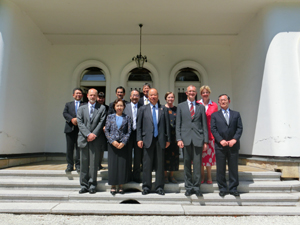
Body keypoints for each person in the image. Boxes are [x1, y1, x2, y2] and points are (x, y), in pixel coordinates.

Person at [137, 88, 171, 195]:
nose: (153, 97)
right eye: (151, 95)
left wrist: (168, 139)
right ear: (148, 96)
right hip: (147, 140)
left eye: (155, 95)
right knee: (147, 164)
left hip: (160, 140)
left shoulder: (163, 109)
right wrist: (139, 139)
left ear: (158, 96)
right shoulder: (143, 109)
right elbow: (139, 126)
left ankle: (159, 187)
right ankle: (146, 186)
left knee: (160, 164)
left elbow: (167, 126)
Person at [176, 85, 208, 197]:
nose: (191, 93)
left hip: (198, 139)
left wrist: (205, 141)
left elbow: (204, 125)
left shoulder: (201, 107)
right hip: (185, 140)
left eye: (193, 91)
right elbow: (178, 124)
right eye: (190, 91)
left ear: (196, 93)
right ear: (186, 92)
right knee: (186, 164)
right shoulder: (180, 106)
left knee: (198, 164)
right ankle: (188, 187)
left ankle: (197, 187)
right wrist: (179, 138)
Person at [211, 94, 243, 197]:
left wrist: (234, 139)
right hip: (220, 146)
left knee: (233, 168)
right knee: (220, 168)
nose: (223, 102)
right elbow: (213, 129)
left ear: (229, 101)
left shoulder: (236, 114)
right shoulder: (215, 115)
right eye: (221, 100)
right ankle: (223, 189)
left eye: (225, 100)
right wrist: (220, 140)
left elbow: (239, 128)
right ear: (218, 102)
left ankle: (233, 188)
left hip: (233, 145)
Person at [77, 88, 106, 194]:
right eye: (91, 95)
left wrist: (93, 134)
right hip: (84, 139)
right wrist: (88, 134)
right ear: (87, 96)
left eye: (95, 95)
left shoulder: (102, 108)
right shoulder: (81, 108)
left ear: (97, 96)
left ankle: (93, 185)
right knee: (84, 163)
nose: (93, 97)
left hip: (96, 139)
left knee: (94, 164)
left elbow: (102, 122)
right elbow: (79, 122)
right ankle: (84, 185)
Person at [105, 99, 132, 195]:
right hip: (113, 145)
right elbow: (106, 130)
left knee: (121, 165)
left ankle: (120, 185)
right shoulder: (109, 117)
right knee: (113, 166)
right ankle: (113, 185)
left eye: (121, 105)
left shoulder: (127, 117)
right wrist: (112, 141)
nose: (119, 107)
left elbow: (129, 131)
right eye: (117, 106)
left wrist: (123, 142)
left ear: (124, 107)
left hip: (123, 145)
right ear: (114, 107)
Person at [196, 86, 218, 184]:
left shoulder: (214, 105)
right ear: (201, 94)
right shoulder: (197, 104)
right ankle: (202, 176)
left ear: (209, 93)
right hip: (198, 134)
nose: (205, 94)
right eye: (203, 92)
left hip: (210, 134)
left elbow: (216, 120)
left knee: (209, 157)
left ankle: (209, 176)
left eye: (207, 92)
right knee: (200, 157)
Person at [123, 89, 143, 183]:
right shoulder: (125, 107)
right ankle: (128, 175)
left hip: (138, 134)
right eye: (133, 95)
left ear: (139, 97)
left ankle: (136, 176)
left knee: (138, 157)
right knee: (127, 156)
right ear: (130, 97)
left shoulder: (143, 107)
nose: (135, 97)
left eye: (137, 95)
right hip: (128, 135)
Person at [63, 88, 83, 173]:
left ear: (82, 95)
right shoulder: (68, 104)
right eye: (76, 93)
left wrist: (78, 120)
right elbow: (65, 113)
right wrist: (72, 119)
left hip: (80, 130)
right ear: (73, 95)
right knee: (69, 148)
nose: (78, 95)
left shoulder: (85, 104)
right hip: (70, 129)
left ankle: (78, 165)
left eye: (80, 93)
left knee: (79, 148)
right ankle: (70, 165)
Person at [163, 92, 179, 184]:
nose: (170, 99)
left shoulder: (177, 109)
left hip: (175, 137)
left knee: (174, 156)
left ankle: (171, 175)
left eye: (172, 97)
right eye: (169, 97)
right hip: (165, 137)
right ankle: (165, 176)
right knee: (165, 156)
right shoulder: (162, 109)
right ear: (166, 98)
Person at [97, 92, 109, 170]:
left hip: (104, 131)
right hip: (95, 130)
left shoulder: (107, 107)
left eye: (102, 98)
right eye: (99, 97)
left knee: (101, 149)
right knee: (96, 148)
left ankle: (99, 164)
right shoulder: (94, 107)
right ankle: (95, 164)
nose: (101, 99)